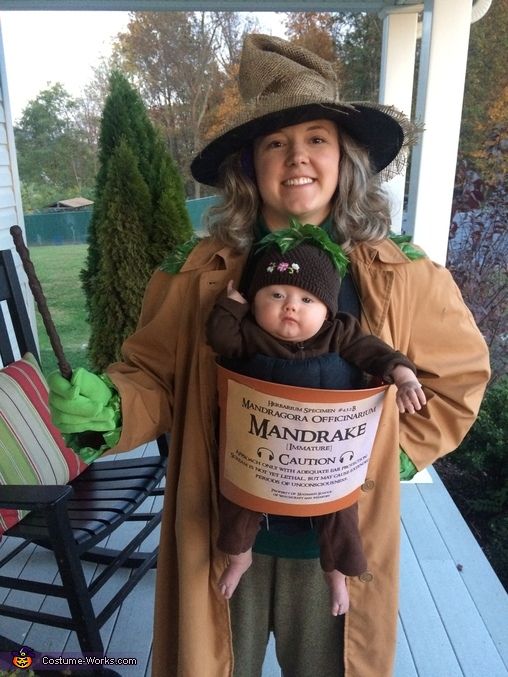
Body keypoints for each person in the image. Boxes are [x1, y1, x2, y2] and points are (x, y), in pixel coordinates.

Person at [48, 33, 490, 677]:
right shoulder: (199, 273)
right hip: (221, 528)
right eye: (275, 143)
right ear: (250, 166)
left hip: (337, 544)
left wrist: (384, 456)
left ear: (346, 158)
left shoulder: (404, 273)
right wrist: (115, 408)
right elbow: (153, 376)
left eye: (316, 138)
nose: (298, 157)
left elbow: (456, 380)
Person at [206, 225, 426, 612]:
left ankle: (337, 575)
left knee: (339, 513)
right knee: (241, 503)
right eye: (275, 295)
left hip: (327, 459)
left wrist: (403, 375)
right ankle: (240, 557)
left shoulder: (340, 334)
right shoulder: (252, 335)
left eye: (307, 299)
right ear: (256, 303)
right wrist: (232, 306)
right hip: (261, 453)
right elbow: (221, 340)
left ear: (327, 309)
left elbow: (376, 353)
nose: (290, 306)